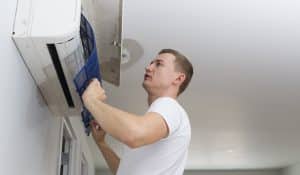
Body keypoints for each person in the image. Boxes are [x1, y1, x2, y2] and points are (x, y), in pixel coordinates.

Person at [82, 49, 194, 175]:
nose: (148, 67)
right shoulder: (157, 122)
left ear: (178, 78)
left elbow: (134, 135)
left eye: (159, 64)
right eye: (151, 63)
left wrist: (91, 100)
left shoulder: (170, 106)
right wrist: (101, 143)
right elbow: (124, 171)